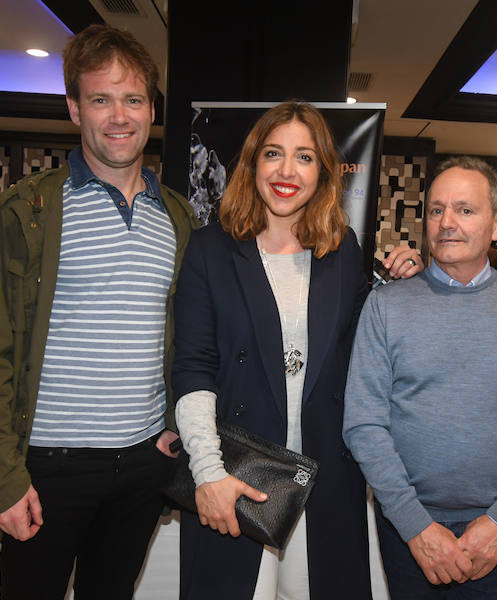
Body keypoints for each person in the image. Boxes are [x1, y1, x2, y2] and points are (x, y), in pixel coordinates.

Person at [0, 25, 198, 599]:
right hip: (45, 467)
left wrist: (176, 432)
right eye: (100, 99)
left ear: (151, 110)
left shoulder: (178, 220)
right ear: (74, 108)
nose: (119, 116)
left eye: (132, 99)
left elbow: (195, 341)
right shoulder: (28, 210)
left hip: (142, 465)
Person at [171, 101, 423, 600]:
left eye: (304, 157)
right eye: (274, 154)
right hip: (238, 475)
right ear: (252, 165)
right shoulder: (210, 250)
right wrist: (209, 473)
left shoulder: (342, 250)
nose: (287, 171)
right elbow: (194, 368)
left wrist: (400, 283)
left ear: (324, 172)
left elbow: (362, 351)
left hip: (327, 477)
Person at [343, 156, 497, 599]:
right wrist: (415, 526)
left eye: (465, 210)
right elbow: (364, 423)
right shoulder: (387, 307)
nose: (447, 222)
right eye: (436, 210)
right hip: (408, 530)